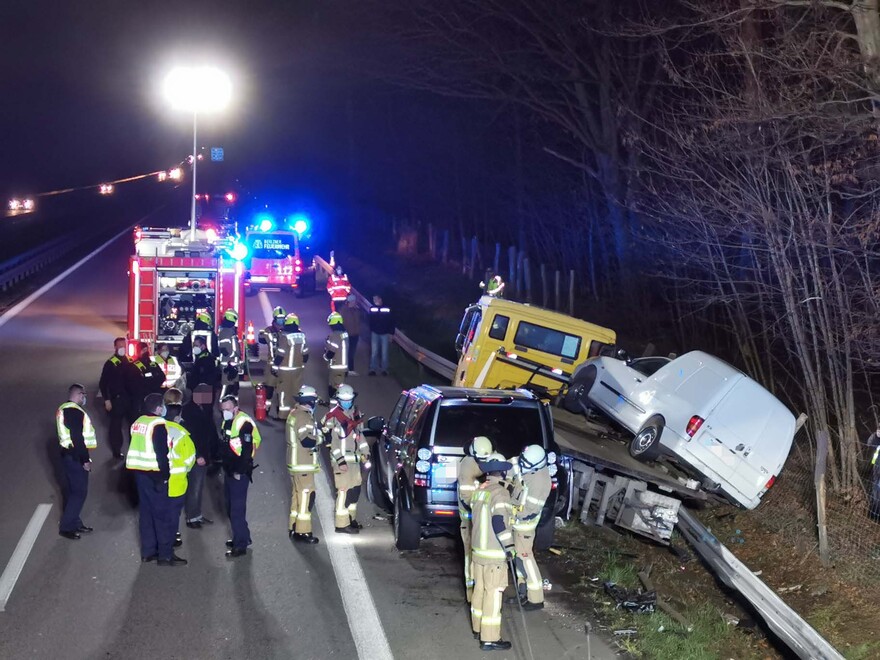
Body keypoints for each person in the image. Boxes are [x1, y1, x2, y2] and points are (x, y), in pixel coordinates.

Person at [127, 393, 186, 566]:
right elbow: (162, 453)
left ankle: (148, 552)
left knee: (145, 514)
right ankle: (165, 555)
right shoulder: (158, 424)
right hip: (155, 475)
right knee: (162, 516)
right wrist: (165, 477)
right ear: (159, 408)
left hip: (139, 474)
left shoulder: (138, 423)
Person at [469, 453, 515, 651]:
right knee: (493, 595)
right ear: (503, 471)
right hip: (493, 555)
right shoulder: (501, 493)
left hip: (477, 553)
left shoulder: (480, 491)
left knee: (478, 591)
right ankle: (490, 638)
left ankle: (477, 628)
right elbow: (499, 523)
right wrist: (510, 547)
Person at [321, 384, 369, 533]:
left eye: (349, 400)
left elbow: (360, 437)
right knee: (344, 492)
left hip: (354, 460)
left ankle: (350, 519)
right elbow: (331, 443)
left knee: (355, 491)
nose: (347, 402)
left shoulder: (356, 413)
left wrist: (365, 454)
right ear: (338, 400)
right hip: (341, 462)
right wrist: (340, 461)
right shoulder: (333, 417)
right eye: (343, 400)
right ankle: (341, 524)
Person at [511, 444, 552, 610]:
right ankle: (523, 593)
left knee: (526, 560)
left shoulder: (540, 482)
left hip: (524, 527)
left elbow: (529, 511)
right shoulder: (530, 468)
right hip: (518, 525)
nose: (523, 466)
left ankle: (536, 599)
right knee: (519, 560)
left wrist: (508, 511)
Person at [220, 395, 262, 557]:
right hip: (230, 468)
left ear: (236, 408)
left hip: (239, 471)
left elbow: (246, 451)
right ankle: (243, 536)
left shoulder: (243, 423)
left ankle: (240, 545)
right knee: (230, 506)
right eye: (223, 410)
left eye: (228, 409)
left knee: (236, 509)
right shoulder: (229, 421)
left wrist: (239, 471)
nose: (225, 412)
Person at [56, 384, 96, 540]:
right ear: (79, 394)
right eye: (83, 395)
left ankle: (75, 522)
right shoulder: (74, 411)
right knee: (79, 492)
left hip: (70, 454)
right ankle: (66, 527)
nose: (84, 398)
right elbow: (77, 437)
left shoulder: (65, 408)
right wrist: (85, 460)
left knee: (75, 491)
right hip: (75, 456)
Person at [457, 436, 495, 602]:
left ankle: (486, 588)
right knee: (471, 555)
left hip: (486, 518)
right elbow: (466, 498)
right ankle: (472, 591)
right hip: (470, 518)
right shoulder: (467, 467)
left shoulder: (492, 458)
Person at [286, 385, 322, 544]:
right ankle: (303, 531)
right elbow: (307, 441)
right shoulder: (303, 417)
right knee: (307, 497)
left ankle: (293, 526)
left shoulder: (295, 413)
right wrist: (322, 439)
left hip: (296, 463)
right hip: (303, 464)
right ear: (310, 401)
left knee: (298, 496)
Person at [180, 388, 217, 528]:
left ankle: (196, 514)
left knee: (199, 486)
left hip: (203, 454)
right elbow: (192, 437)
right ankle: (192, 517)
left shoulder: (202, 409)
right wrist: (198, 455)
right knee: (194, 486)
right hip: (197, 456)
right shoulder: (190, 412)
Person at [163, 393, 196, 544]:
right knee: (173, 512)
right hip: (177, 482)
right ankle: (171, 538)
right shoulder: (182, 435)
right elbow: (190, 460)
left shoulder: (158, 429)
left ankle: (162, 537)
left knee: (160, 511)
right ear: (177, 418)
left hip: (158, 481)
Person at [272, 312, 309, 420]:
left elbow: (280, 354)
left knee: (284, 392)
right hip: (298, 369)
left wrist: (274, 367)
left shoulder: (284, 336)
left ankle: (283, 416)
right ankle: (297, 413)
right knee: (296, 391)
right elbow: (306, 354)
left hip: (285, 370)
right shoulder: (302, 336)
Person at [99, 337, 129, 458]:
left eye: (124, 345)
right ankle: (117, 451)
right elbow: (103, 383)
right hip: (116, 399)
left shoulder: (127, 360)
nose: (122, 348)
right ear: (115, 347)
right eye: (120, 346)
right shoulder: (110, 363)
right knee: (116, 426)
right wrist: (107, 400)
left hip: (127, 398)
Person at [124, 342, 165, 426]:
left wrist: (151, 384)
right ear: (139, 351)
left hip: (153, 400)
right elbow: (132, 384)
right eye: (143, 350)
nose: (145, 352)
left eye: (146, 350)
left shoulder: (153, 364)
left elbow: (162, 377)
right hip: (139, 402)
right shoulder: (133, 366)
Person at [259, 307, 286, 416]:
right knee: (269, 389)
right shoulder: (269, 331)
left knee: (282, 390)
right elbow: (261, 339)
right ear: (274, 319)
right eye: (279, 319)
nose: (281, 321)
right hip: (272, 364)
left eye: (283, 318)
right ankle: (266, 409)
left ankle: (281, 411)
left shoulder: (287, 331)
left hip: (284, 365)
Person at [324, 312, 349, 400]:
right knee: (337, 387)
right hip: (343, 365)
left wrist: (325, 356)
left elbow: (331, 352)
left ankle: (334, 408)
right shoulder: (344, 334)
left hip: (336, 365)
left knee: (334, 389)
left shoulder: (335, 335)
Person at [218, 308, 242, 400]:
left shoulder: (229, 331)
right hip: (228, 366)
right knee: (226, 387)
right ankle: (222, 406)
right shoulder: (225, 332)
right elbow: (225, 350)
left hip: (233, 365)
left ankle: (233, 407)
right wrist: (230, 366)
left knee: (234, 388)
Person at [368, 295, 395, 376]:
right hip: (375, 332)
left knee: (384, 352)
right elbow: (369, 320)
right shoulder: (372, 308)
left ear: (380, 299)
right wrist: (372, 329)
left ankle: (384, 369)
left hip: (385, 333)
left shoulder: (387, 308)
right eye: (373, 299)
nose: (374, 300)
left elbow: (392, 321)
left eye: (375, 299)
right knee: (374, 352)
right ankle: (373, 369)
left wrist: (391, 333)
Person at [339, 294, 361, 376]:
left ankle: (351, 369)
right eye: (353, 301)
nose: (355, 303)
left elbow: (358, 321)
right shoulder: (344, 310)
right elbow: (342, 323)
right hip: (347, 334)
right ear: (350, 301)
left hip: (355, 334)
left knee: (352, 352)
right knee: (346, 352)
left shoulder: (356, 310)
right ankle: (345, 369)